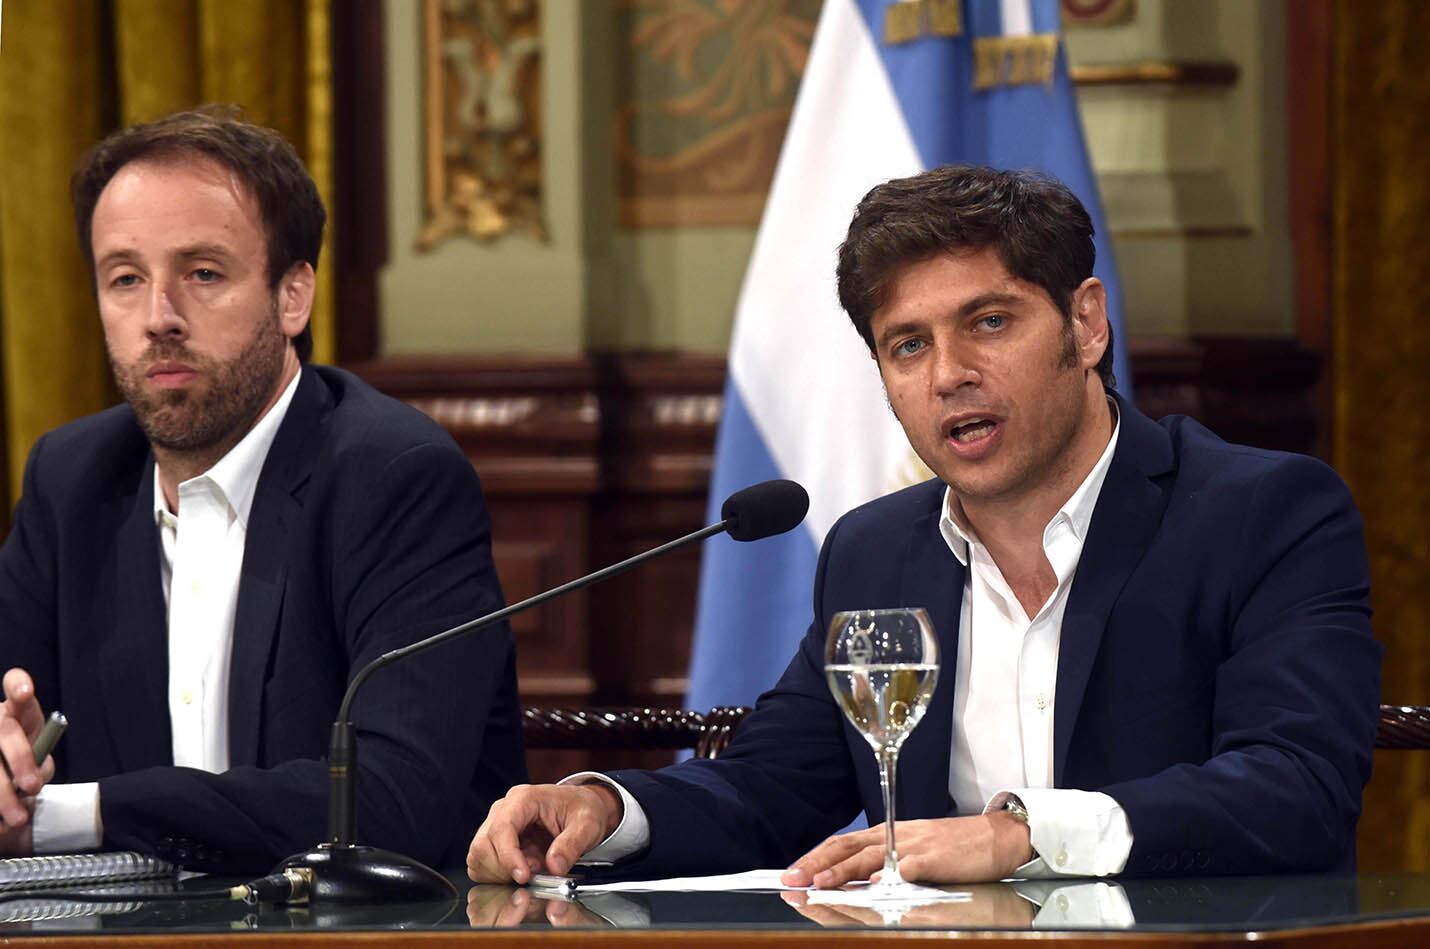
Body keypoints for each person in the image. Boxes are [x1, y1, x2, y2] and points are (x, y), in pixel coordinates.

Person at [467, 165, 1381, 886]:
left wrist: (1019, 836)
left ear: (1088, 323)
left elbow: (1295, 785)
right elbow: (769, 786)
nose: (949, 374)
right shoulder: (876, 551)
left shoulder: (1261, 514)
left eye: (989, 322)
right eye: (908, 345)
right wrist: (599, 806)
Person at [0, 107, 526, 874]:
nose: (158, 318)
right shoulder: (72, 480)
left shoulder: (394, 478)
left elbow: (392, 801)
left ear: (293, 296)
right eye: (125, 279)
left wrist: (80, 812)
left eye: (203, 273)